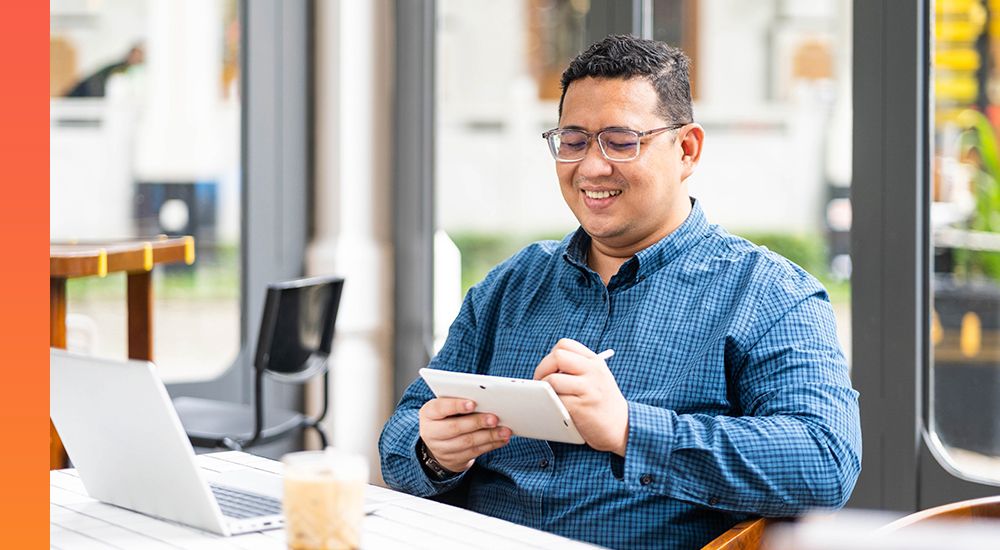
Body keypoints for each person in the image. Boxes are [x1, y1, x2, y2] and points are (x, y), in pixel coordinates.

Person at [379, 34, 861, 549]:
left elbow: (825, 461)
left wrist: (631, 429)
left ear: (687, 149)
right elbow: (399, 439)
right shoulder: (511, 284)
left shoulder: (768, 294)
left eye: (621, 140)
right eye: (573, 140)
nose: (591, 167)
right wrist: (434, 450)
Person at [65, 44, 144, 98]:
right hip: (88, 88)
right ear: (130, 55)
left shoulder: (132, 70)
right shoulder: (118, 68)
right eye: (136, 55)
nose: (138, 58)